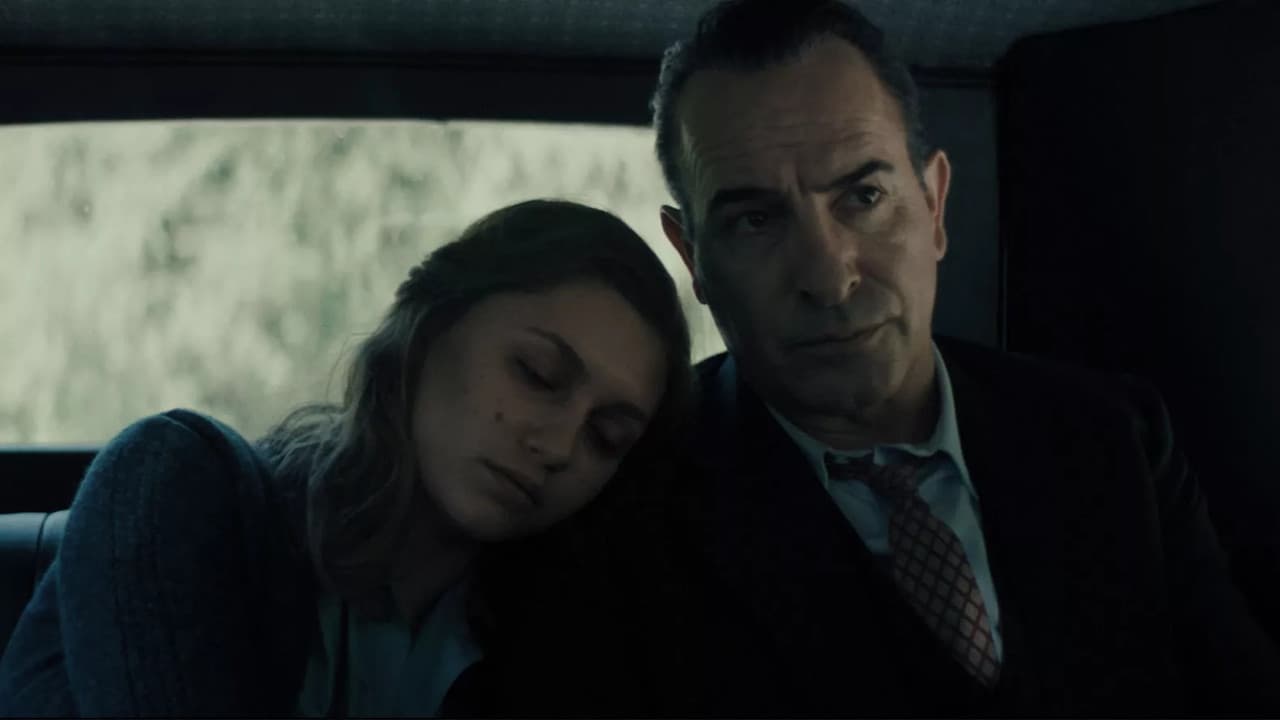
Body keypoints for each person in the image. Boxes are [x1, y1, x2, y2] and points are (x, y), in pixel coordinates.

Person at [620, 0, 1280, 714]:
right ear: (693, 257)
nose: (829, 278)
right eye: (755, 220)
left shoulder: (1114, 437)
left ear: (934, 206)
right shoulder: (636, 508)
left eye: (864, 195)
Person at [0, 199, 693, 716]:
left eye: (607, 436)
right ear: (431, 319)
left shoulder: (544, 641)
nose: (559, 446)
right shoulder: (177, 489)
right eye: (537, 374)